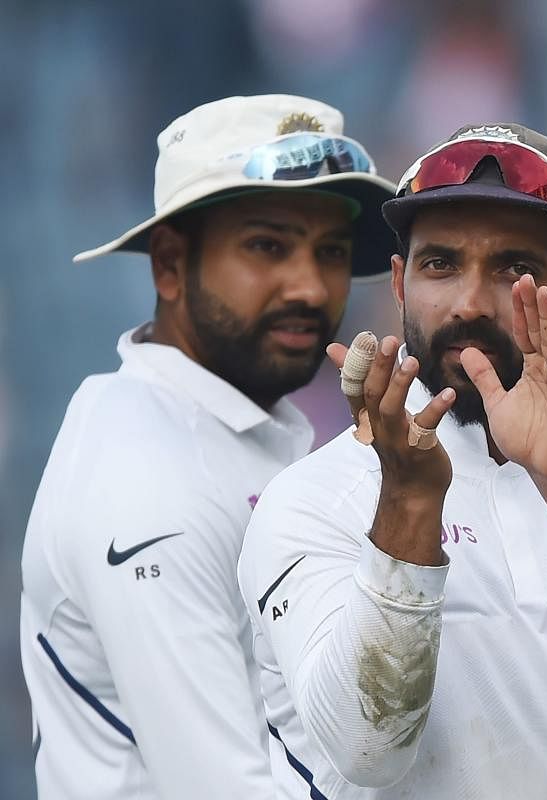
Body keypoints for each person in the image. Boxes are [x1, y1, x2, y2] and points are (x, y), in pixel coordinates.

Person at [19, 94, 396, 799]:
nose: (311, 287)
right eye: (267, 246)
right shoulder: (148, 480)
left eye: (332, 251)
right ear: (169, 264)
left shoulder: (226, 430)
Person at [236, 122, 547, 798]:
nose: (468, 303)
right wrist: (409, 507)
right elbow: (365, 750)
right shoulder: (315, 500)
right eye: (440, 264)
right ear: (400, 285)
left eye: (514, 269)